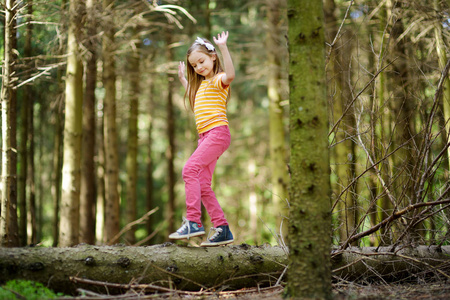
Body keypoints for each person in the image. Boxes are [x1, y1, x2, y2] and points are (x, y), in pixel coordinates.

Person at [169, 31, 235, 247]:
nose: (198, 67)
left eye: (201, 61)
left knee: (189, 170)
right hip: (205, 137)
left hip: (217, 133)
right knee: (203, 185)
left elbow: (231, 75)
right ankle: (222, 228)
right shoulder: (201, 86)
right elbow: (197, 100)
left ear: (212, 57)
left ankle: (193, 222)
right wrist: (183, 80)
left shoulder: (218, 81)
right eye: (194, 65)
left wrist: (223, 47)